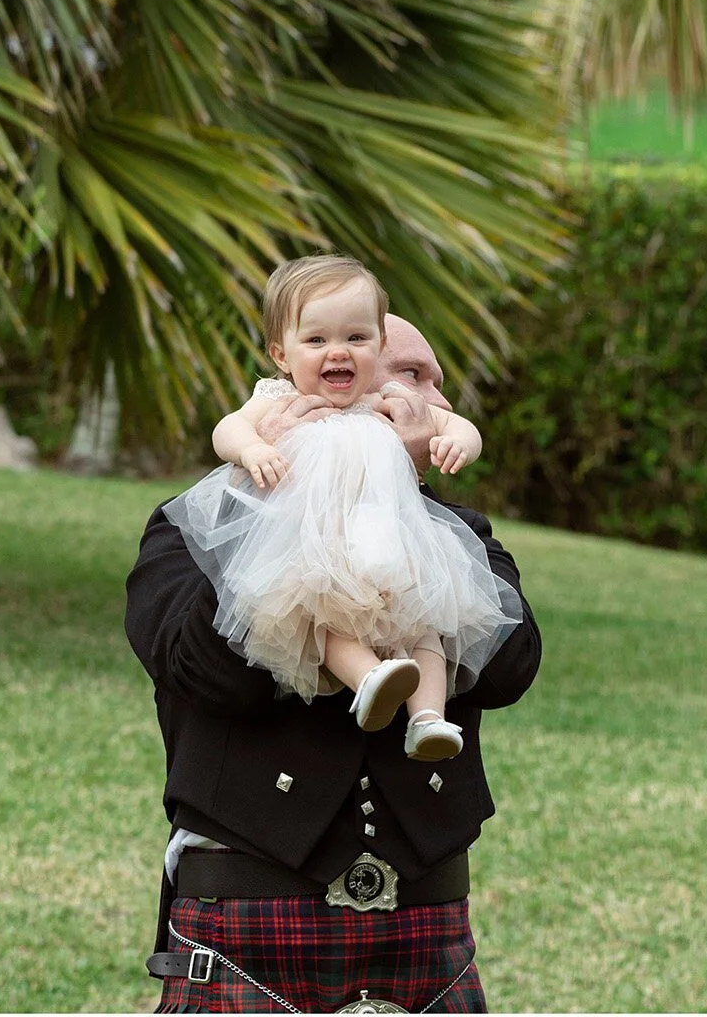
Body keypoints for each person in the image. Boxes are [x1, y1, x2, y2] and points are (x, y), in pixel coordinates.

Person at [125, 289, 543, 1013]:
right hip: (247, 912)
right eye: (411, 374)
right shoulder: (200, 524)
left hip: (423, 915)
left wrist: (403, 519)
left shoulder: (454, 540)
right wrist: (287, 521)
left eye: (435, 379)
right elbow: (204, 673)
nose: (431, 395)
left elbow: (511, 665)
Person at [171, 257, 520, 762]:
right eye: (316, 341)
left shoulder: (386, 402)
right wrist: (253, 450)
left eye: (357, 338)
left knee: (428, 623)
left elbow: (457, 426)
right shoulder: (278, 401)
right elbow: (227, 430)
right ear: (281, 354)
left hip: (391, 544)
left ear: (377, 346)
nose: (338, 351)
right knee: (320, 614)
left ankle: (427, 719)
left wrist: (462, 444)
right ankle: (369, 679)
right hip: (317, 546)